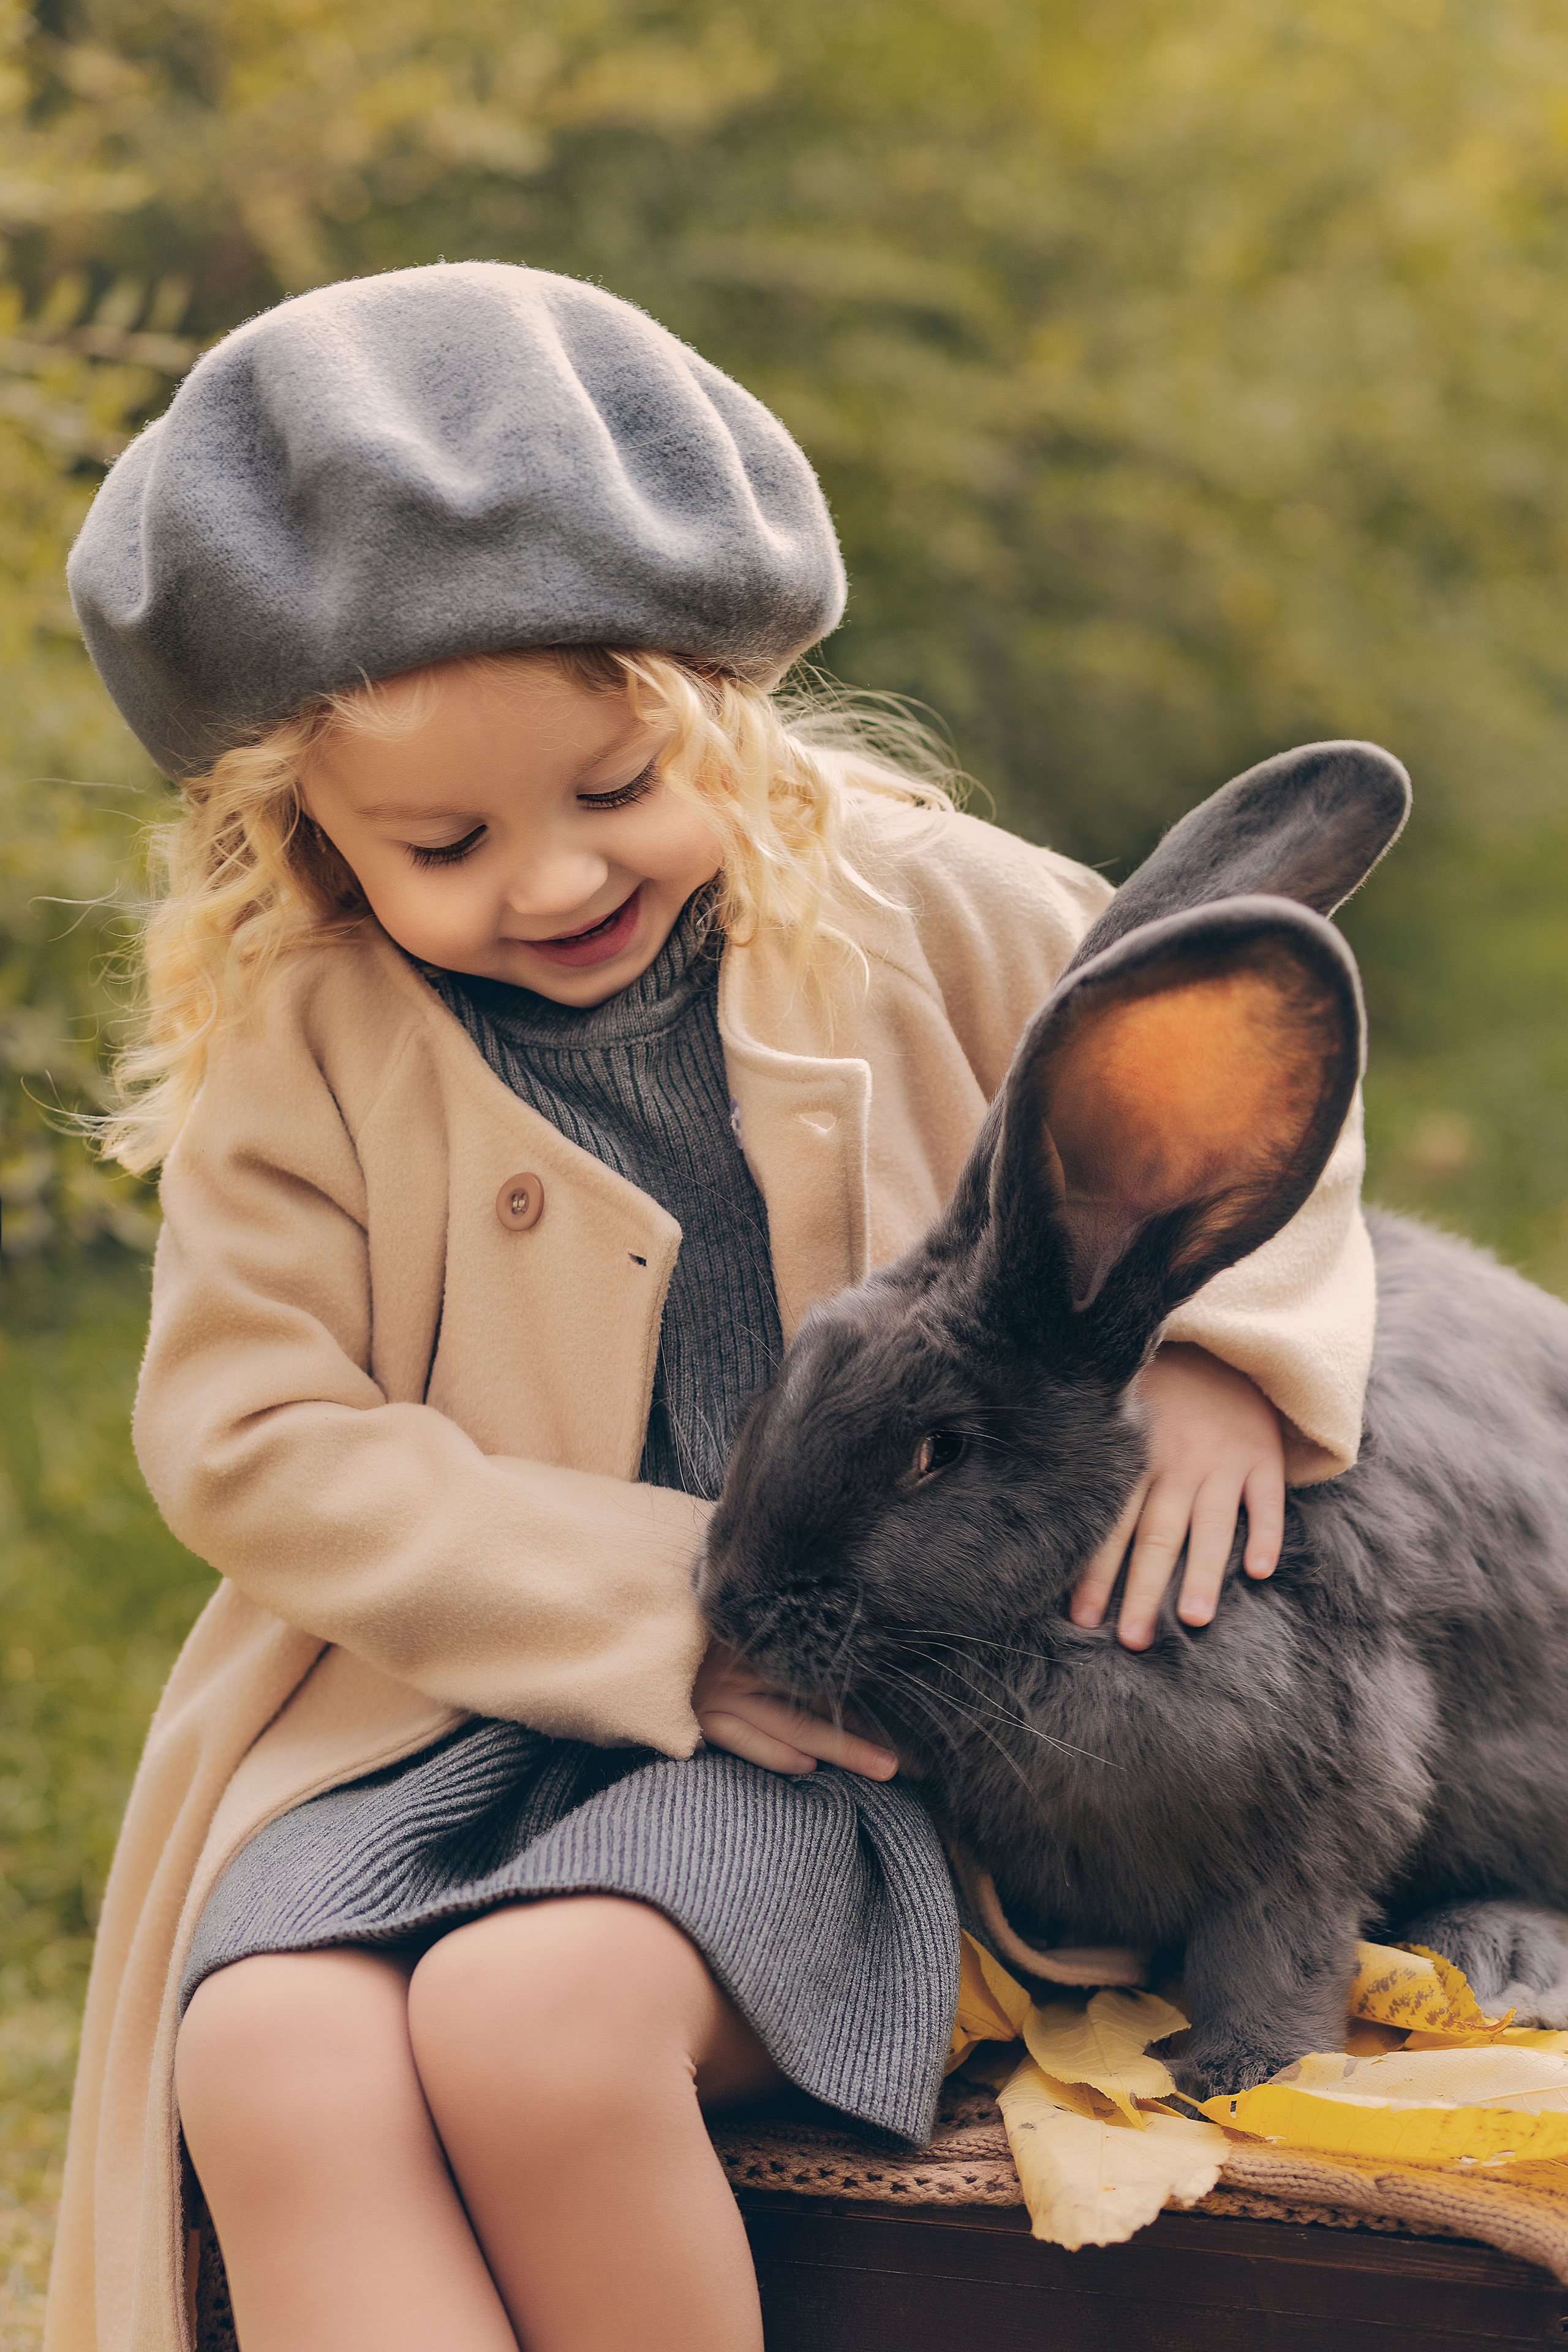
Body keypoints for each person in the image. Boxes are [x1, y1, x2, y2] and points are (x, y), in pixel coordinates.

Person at [48, 262, 1374, 2352]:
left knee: (538, 2027)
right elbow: (252, 1433)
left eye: (608, 787)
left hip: (856, 1739)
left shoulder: (918, 899)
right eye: (443, 839)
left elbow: (1213, 1027)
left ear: (720, 702)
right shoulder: (313, 1042)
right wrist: (659, 1600)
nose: (556, 880)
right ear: (291, 837)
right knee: (274, 2057)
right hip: (462, 1714)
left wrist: (1224, 1355)